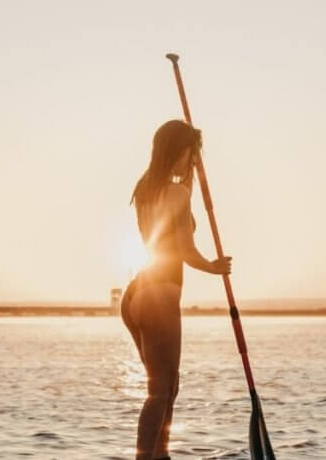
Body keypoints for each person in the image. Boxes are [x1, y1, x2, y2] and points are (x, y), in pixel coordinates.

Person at [121, 119, 232, 460]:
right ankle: (146, 457)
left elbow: (175, 206)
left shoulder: (145, 188)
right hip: (160, 297)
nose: (192, 159)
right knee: (161, 390)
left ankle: (160, 455)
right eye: (190, 153)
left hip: (135, 296)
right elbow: (184, 249)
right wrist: (213, 267)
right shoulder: (177, 193)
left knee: (168, 386)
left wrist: (191, 170)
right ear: (178, 150)